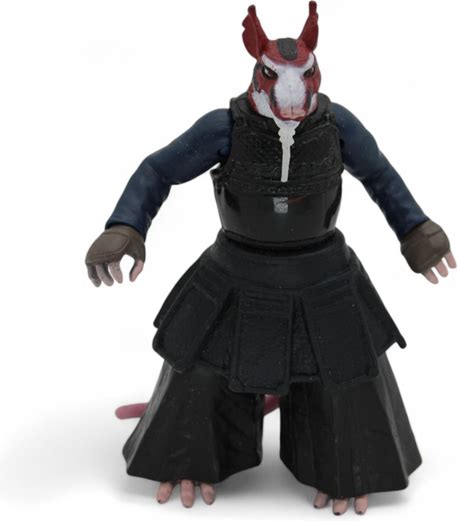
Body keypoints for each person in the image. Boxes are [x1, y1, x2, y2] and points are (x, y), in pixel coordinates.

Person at [85, 2, 455, 516]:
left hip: (324, 273)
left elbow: (380, 176)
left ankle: (347, 467)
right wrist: (126, 225)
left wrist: (416, 231)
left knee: (345, 375)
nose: (291, 95)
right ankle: (191, 456)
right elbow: (158, 170)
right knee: (201, 371)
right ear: (258, 72)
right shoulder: (224, 127)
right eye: (277, 78)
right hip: (235, 271)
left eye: (303, 78)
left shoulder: (337, 125)